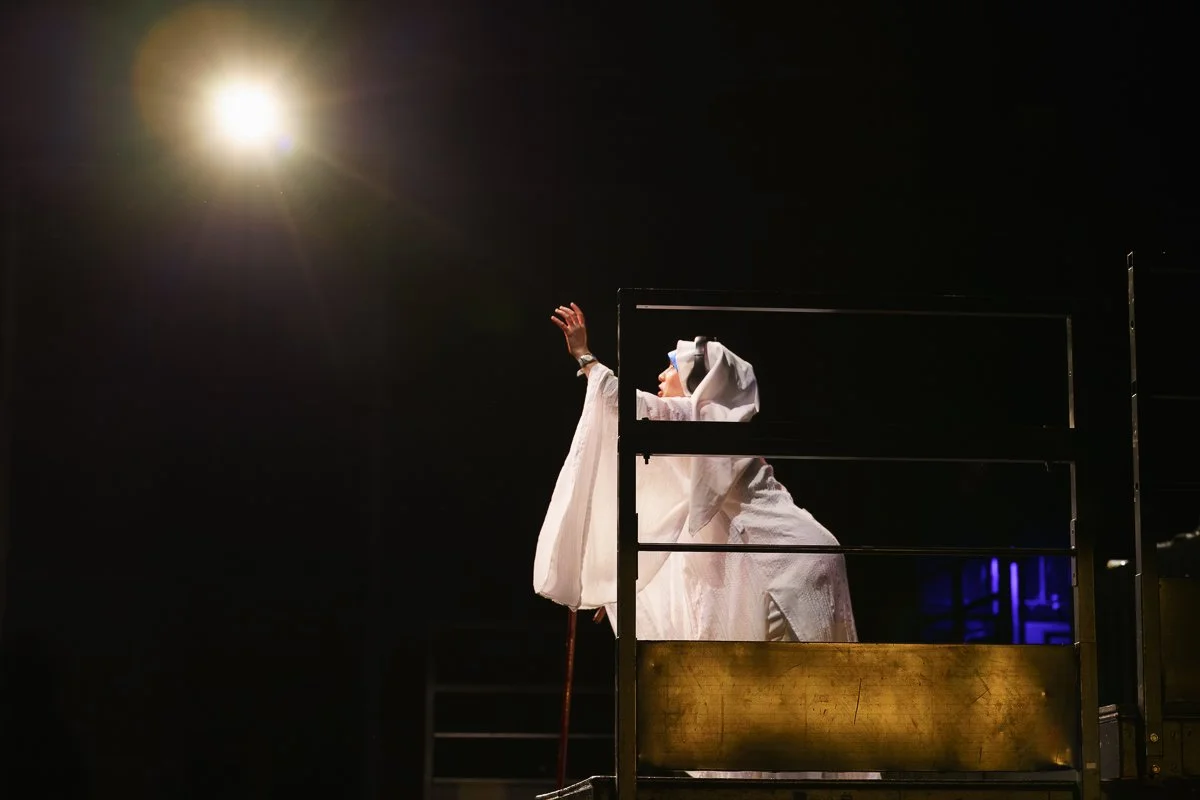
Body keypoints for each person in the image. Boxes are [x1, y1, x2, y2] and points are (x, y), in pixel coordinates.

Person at [534, 303, 872, 780]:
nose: (661, 375)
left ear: (699, 381)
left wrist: (585, 357)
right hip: (793, 559)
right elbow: (680, 522)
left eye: (671, 367)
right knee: (790, 704)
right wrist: (621, 587)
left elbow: (625, 405)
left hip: (785, 567)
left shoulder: (703, 422)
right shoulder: (715, 430)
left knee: (783, 701)